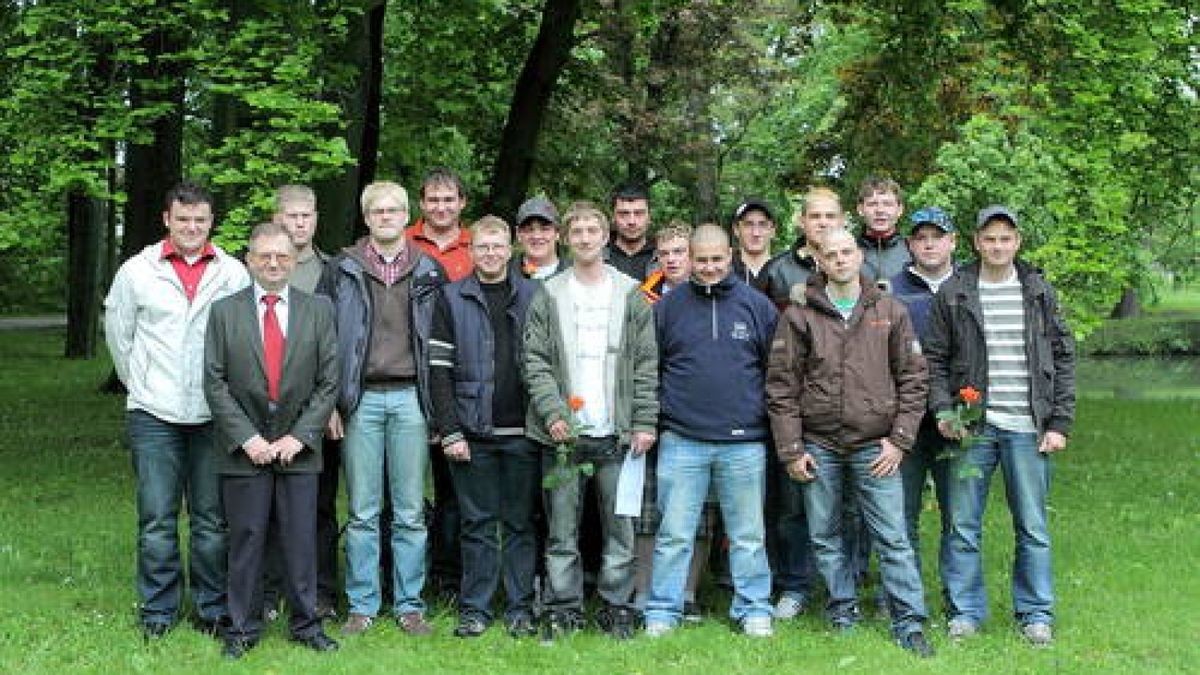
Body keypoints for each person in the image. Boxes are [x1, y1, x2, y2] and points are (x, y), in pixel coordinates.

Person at [765, 228, 934, 657]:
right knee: (824, 533)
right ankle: (842, 606)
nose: (840, 259)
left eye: (846, 252)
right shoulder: (799, 314)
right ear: (818, 260)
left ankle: (909, 619)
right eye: (830, 254)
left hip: (876, 444)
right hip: (818, 442)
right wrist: (791, 449)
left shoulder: (889, 309)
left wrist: (899, 440)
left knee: (892, 535)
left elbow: (914, 378)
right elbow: (781, 386)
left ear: (859, 256)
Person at [104, 182, 250, 639]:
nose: (192, 227)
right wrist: (144, 386)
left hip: (213, 416)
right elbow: (119, 336)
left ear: (211, 222)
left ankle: (211, 608)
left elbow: (241, 343)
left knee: (211, 521)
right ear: (167, 219)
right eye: (183, 219)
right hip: (153, 414)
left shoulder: (233, 273)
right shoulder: (136, 272)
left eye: (200, 220)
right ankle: (158, 612)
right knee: (157, 519)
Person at [926, 205, 1075, 647]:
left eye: (1005, 238)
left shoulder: (1039, 291)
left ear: (1017, 242)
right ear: (976, 242)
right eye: (989, 238)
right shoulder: (954, 292)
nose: (997, 246)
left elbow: (1064, 357)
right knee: (963, 523)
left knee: (1031, 525)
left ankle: (1035, 613)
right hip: (974, 426)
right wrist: (942, 411)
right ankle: (965, 612)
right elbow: (933, 360)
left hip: (1030, 427)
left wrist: (1059, 421)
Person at [203, 222, 340, 659]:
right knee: (246, 538)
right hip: (245, 450)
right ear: (249, 260)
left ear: (295, 259)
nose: (274, 263)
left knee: (302, 540)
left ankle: (306, 623)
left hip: (299, 448)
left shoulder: (318, 310)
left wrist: (299, 437)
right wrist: (248, 439)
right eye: (264, 256)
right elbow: (215, 382)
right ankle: (242, 627)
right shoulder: (224, 312)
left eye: (282, 255)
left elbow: (328, 382)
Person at [523, 201, 658, 640]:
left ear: (605, 237)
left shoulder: (630, 293)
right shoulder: (550, 292)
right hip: (562, 435)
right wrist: (554, 413)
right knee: (562, 528)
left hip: (616, 432)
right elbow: (536, 361)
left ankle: (616, 604)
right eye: (576, 231)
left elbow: (645, 364)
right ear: (566, 238)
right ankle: (563, 605)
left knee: (621, 526)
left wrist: (643, 420)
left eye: (591, 231)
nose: (584, 238)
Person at [323, 181, 446, 637]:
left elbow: (441, 343)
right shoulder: (342, 269)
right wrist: (333, 403)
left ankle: (410, 605)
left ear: (406, 215)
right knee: (362, 510)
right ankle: (362, 604)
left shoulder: (429, 269)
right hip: (361, 401)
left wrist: (439, 409)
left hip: (412, 398)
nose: (386, 217)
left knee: (411, 509)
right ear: (367, 217)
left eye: (394, 210)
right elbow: (326, 342)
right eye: (378, 211)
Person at [643, 225, 778, 638]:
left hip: (744, 442)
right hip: (682, 439)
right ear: (689, 258)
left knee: (748, 535)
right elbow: (651, 370)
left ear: (731, 255)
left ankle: (753, 607)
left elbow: (775, 373)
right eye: (700, 261)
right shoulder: (667, 308)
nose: (708, 268)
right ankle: (663, 610)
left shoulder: (758, 307)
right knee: (673, 534)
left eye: (716, 260)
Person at [427, 216, 542, 639]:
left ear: (510, 249)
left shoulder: (534, 294)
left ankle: (518, 608)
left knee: (519, 524)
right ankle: (475, 608)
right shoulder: (451, 298)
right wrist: (450, 429)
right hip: (472, 433)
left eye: (497, 246)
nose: (490, 253)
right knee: (475, 524)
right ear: (470, 250)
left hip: (524, 433)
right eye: (482, 246)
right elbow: (438, 370)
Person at [760, 187, 843, 620]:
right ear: (802, 223)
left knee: (845, 508)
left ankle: (842, 587)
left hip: (847, 409)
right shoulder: (778, 272)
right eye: (815, 216)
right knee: (793, 505)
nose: (823, 223)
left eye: (831, 216)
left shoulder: (853, 266)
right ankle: (793, 585)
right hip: (797, 407)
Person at [262, 184, 340, 621]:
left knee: (320, 505)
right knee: (266, 503)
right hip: (267, 408)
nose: (299, 223)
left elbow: (339, 344)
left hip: (317, 409)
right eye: (291, 216)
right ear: (278, 218)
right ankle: (271, 589)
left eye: (306, 216)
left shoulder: (333, 272)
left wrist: (331, 405)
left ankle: (321, 591)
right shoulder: (254, 270)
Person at [631, 222, 714, 622]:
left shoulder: (709, 298)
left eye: (680, 252)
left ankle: (688, 592)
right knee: (648, 509)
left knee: (697, 512)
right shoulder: (642, 299)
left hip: (696, 419)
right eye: (665, 253)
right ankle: (646, 590)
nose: (673, 260)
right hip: (651, 415)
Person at [406, 167, 472, 602]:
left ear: (462, 204)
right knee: (404, 492)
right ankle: (398, 576)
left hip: (458, 383)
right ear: (421, 203)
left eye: (449, 199)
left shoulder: (479, 247)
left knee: (454, 493)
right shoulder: (403, 244)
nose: (441, 207)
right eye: (433, 199)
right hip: (409, 382)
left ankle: (449, 580)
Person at [888, 207, 958, 579]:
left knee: (958, 519)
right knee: (901, 517)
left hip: (957, 422)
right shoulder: (890, 291)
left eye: (937, 236)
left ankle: (958, 603)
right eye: (921, 238)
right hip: (905, 422)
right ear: (909, 244)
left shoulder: (969, 286)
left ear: (953, 241)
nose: (929, 244)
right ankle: (902, 597)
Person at [855, 177, 911, 282]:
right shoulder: (846, 251)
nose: (880, 210)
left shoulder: (913, 250)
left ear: (900, 210)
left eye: (887, 204)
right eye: (872, 204)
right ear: (860, 209)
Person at [605, 184, 656, 281]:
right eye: (624, 214)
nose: (631, 221)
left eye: (639, 213)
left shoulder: (664, 255)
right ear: (613, 217)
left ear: (649, 217)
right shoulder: (597, 255)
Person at [513, 196, 568, 279]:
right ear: (518, 234)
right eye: (529, 230)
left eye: (544, 229)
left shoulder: (577, 275)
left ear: (557, 233)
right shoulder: (503, 275)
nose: (536, 236)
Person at [730, 198, 777, 292]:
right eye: (748, 224)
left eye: (763, 224)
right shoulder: (724, 270)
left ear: (772, 231)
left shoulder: (782, 271)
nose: (756, 233)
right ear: (736, 229)